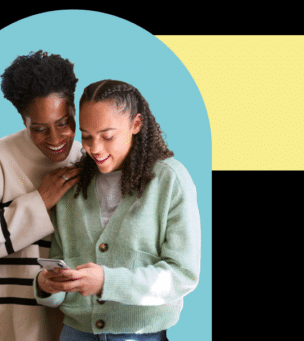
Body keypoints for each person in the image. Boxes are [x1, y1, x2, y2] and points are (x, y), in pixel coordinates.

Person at [34, 79, 201, 341]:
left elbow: (183, 275)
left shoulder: (171, 180)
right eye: (86, 136)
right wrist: (46, 286)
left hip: (140, 335)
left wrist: (106, 282)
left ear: (136, 124)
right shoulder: (72, 187)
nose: (95, 148)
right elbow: (58, 269)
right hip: (75, 333)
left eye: (107, 136)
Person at [0, 50, 83, 341]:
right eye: (39, 129)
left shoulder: (85, 158)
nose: (55, 139)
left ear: (74, 110)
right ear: (24, 120)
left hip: (53, 318)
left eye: (63, 122)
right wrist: (39, 202)